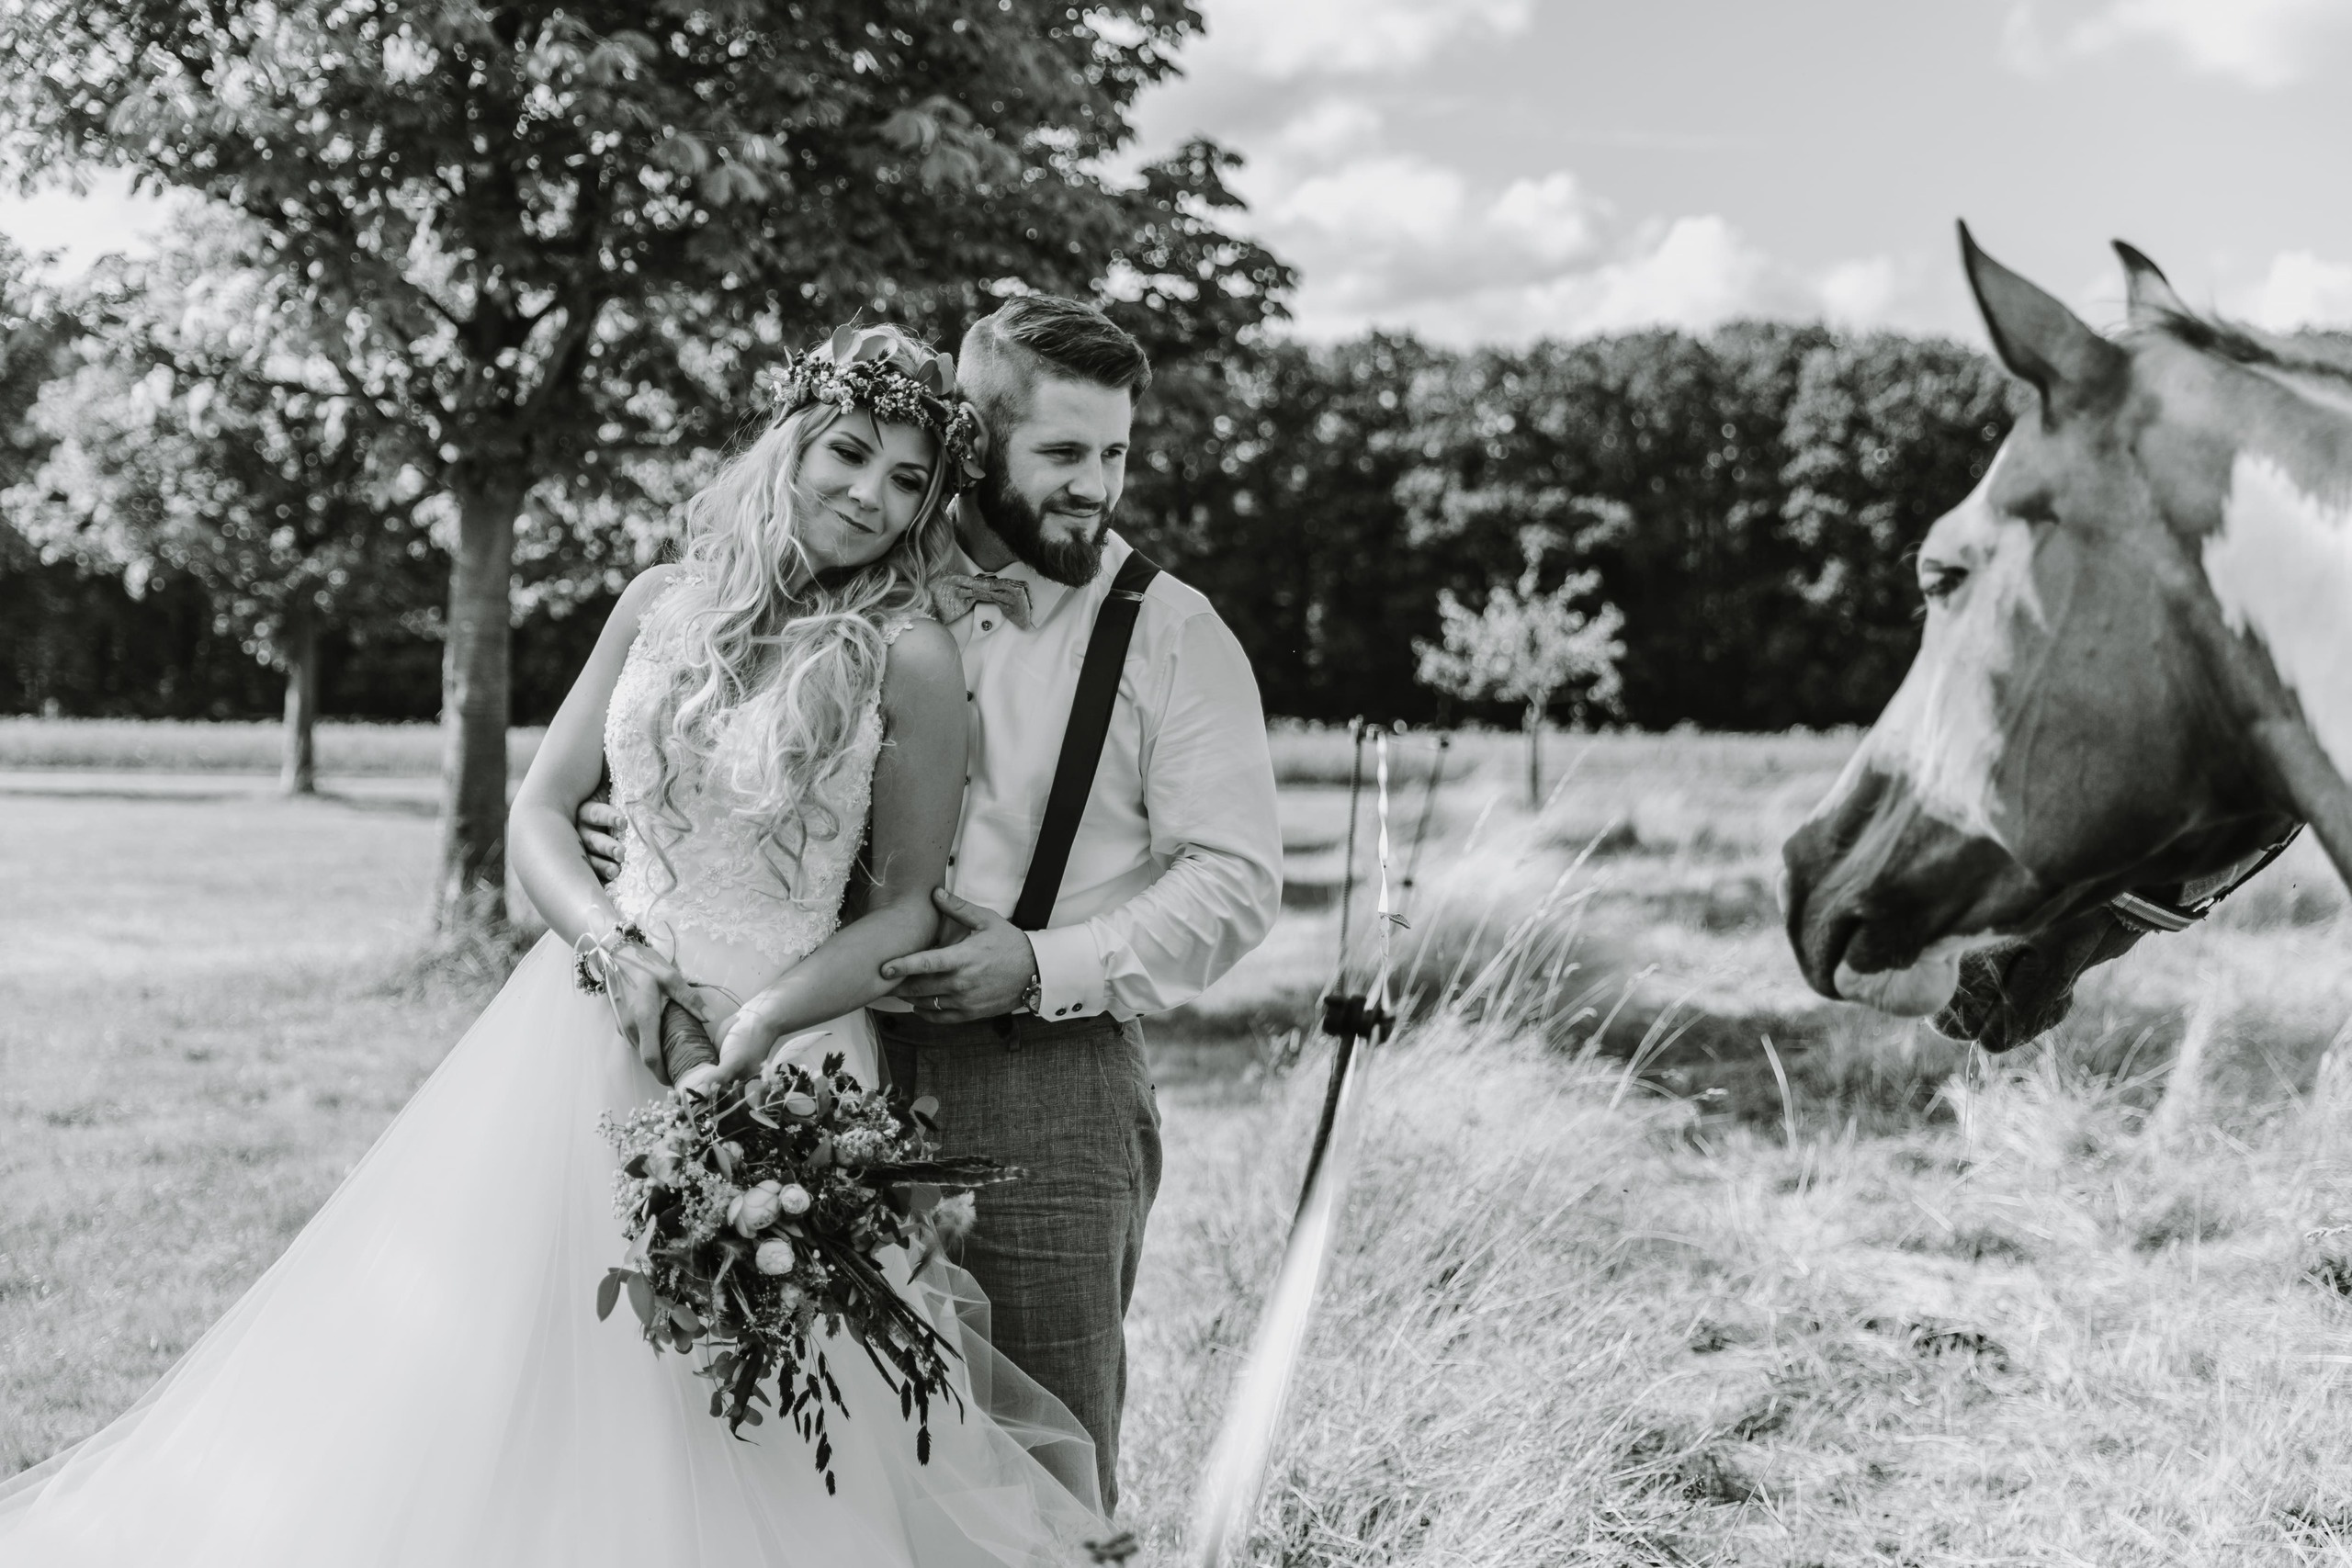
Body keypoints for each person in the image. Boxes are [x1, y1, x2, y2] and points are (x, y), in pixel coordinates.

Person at [0, 324, 1103, 1567]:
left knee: (746, 1384)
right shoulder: (657, 603)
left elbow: (902, 908)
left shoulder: (911, 651)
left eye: (910, 482)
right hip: (581, 1018)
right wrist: (617, 956)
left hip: (779, 1051)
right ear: (788, 447)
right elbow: (541, 807)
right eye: (849, 454)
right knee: (501, 1366)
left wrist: (752, 1030)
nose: (871, 495)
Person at [582, 296, 1285, 1513]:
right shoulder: (848, 579)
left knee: (1040, 1478)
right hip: (814, 1059)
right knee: (815, 1471)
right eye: (1063, 454)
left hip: (1040, 1091)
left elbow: (1237, 881)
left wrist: (1043, 963)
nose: (1096, 488)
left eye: (1115, 454)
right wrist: (650, 844)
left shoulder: (1170, 632)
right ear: (973, 443)